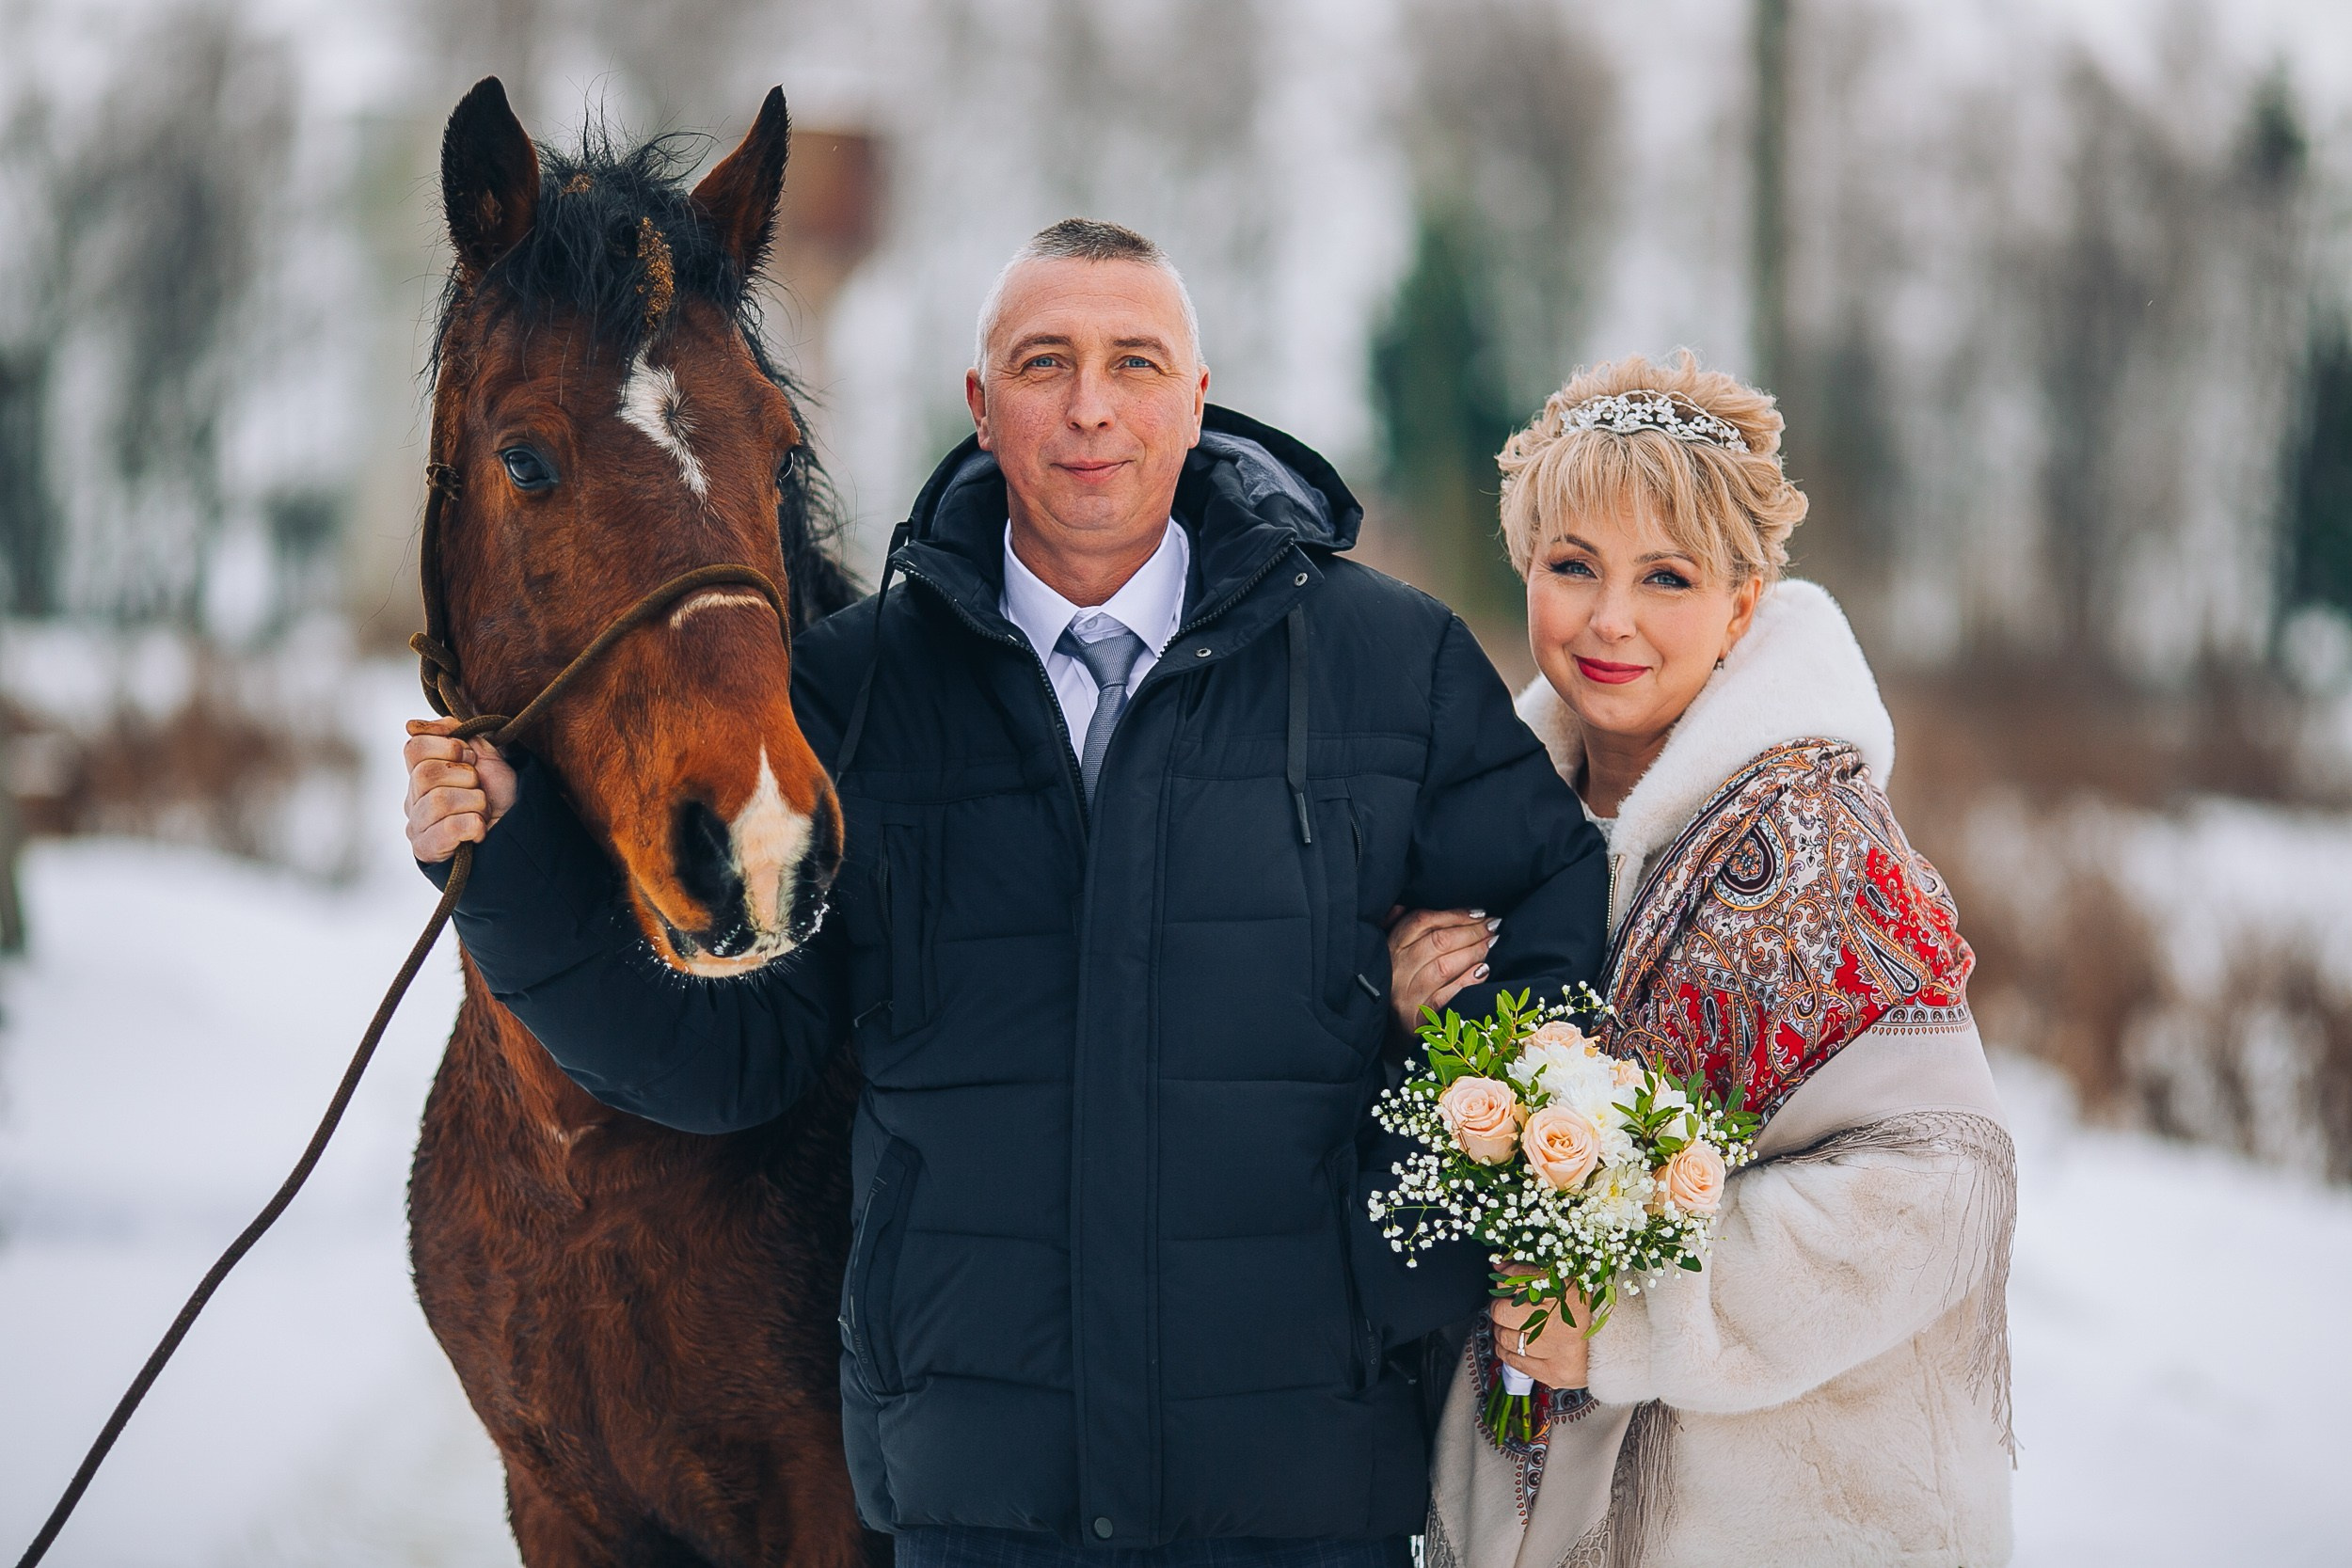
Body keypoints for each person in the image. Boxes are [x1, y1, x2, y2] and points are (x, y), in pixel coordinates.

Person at [402, 218, 1611, 1564]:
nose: (1092, 407)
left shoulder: (1389, 664)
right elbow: (731, 1062)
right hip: (979, 1503)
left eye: (1134, 362)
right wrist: (514, 878)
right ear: (982, 409)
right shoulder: (857, 695)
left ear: (1196, 399)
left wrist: (1396, 1240)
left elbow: (1549, 925)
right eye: (1045, 363)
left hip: (1301, 1492)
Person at [1389, 353, 2014, 1567]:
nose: (1608, 618)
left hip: (1781, 1519)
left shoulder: (1823, 849)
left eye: (1664, 578)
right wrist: (1416, 1015)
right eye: (1573, 566)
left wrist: (1632, 1317)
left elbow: (1937, 1193)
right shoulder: (1481, 833)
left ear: (1743, 602)